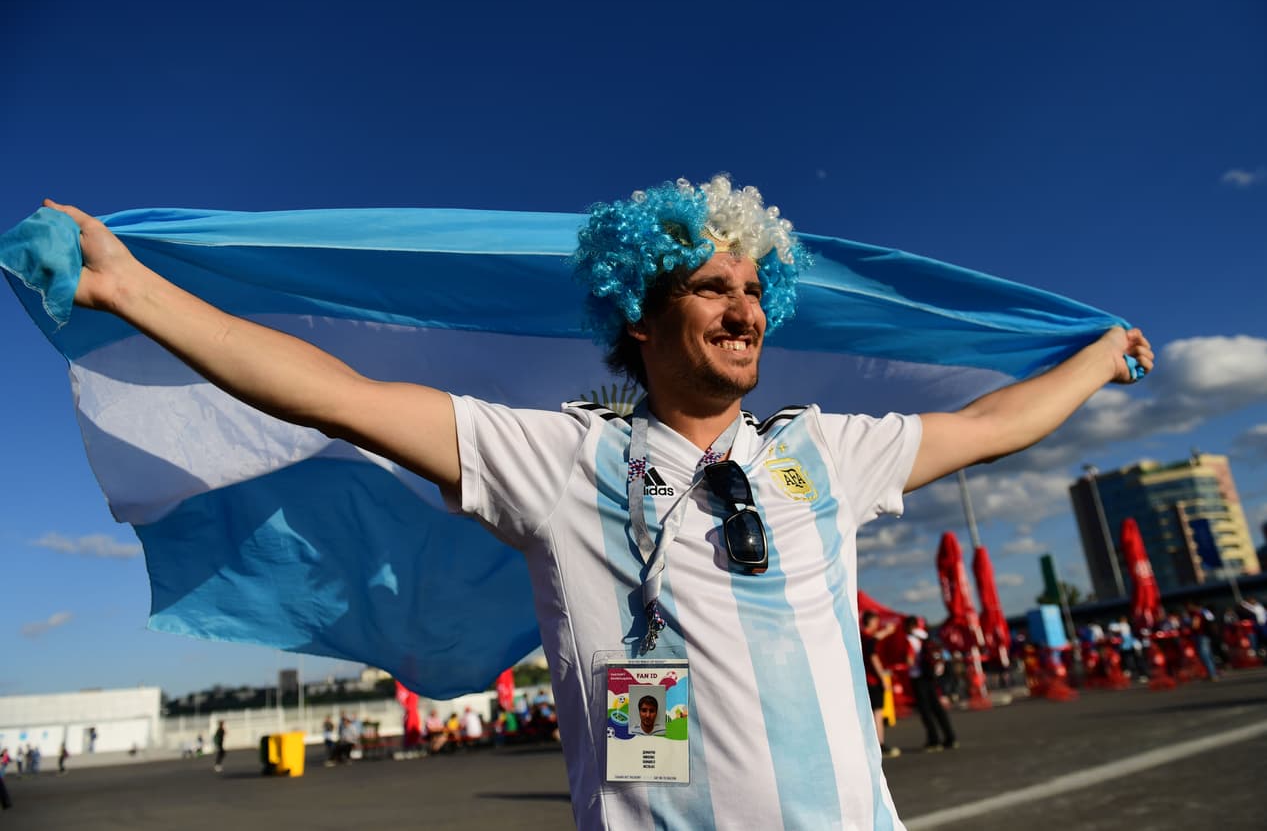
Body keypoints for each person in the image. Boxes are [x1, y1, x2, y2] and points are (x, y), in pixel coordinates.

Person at [40, 176, 1152, 829]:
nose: (744, 310)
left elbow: (991, 427)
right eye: (711, 287)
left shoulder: (825, 452)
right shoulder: (562, 460)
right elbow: (339, 396)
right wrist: (128, 288)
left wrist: (1098, 359)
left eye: (754, 289)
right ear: (640, 318)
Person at [906, 617, 957, 752]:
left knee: (926, 710)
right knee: (937, 708)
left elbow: (910, 660)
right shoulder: (926, 636)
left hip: (918, 677)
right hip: (931, 675)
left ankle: (934, 740)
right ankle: (950, 737)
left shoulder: (910, 639)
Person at [860, 611, 900, 758]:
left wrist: (886, 632)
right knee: (877, 713)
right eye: (876, 622)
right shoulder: (868, 639)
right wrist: (883, 678)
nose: (877, 625)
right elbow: (874, 658)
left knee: (869, 714)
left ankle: (873, 744)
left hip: (864, 681)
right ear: (870, 622)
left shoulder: (861, 637)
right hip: (872, 681)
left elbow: (875, 638)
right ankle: (880, 743)